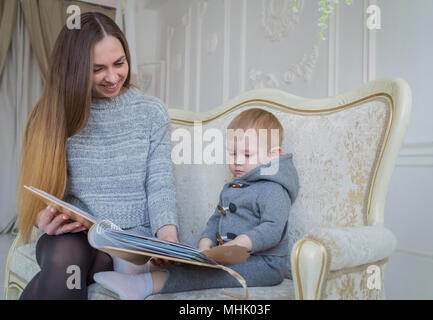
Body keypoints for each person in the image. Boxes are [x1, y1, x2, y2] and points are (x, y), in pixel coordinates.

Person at [16, 12, 178, 300]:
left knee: (54, 279)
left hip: (126, 241)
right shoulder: (55, 114)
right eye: (98, 69)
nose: (113, 77)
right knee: (66, 256)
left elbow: (160, 183)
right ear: (75, 69)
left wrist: (167, 237)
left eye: (119, 63)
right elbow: (43, 191)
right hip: (74, 235)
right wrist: (44, 216)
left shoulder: (150, 112)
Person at [93, 108, 300, 299]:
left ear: (273, 155)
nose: (237, 161)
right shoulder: (233, 186)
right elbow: (216, 219)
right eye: (232, 153)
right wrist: (204, 244)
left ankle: (144, 285)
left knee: (210, 273)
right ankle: (144, 266)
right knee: (185, 250)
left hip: (264, 264)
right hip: (226, 250)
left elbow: (273, 228)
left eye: (246, 154)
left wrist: (242, 242)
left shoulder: (273, 188)